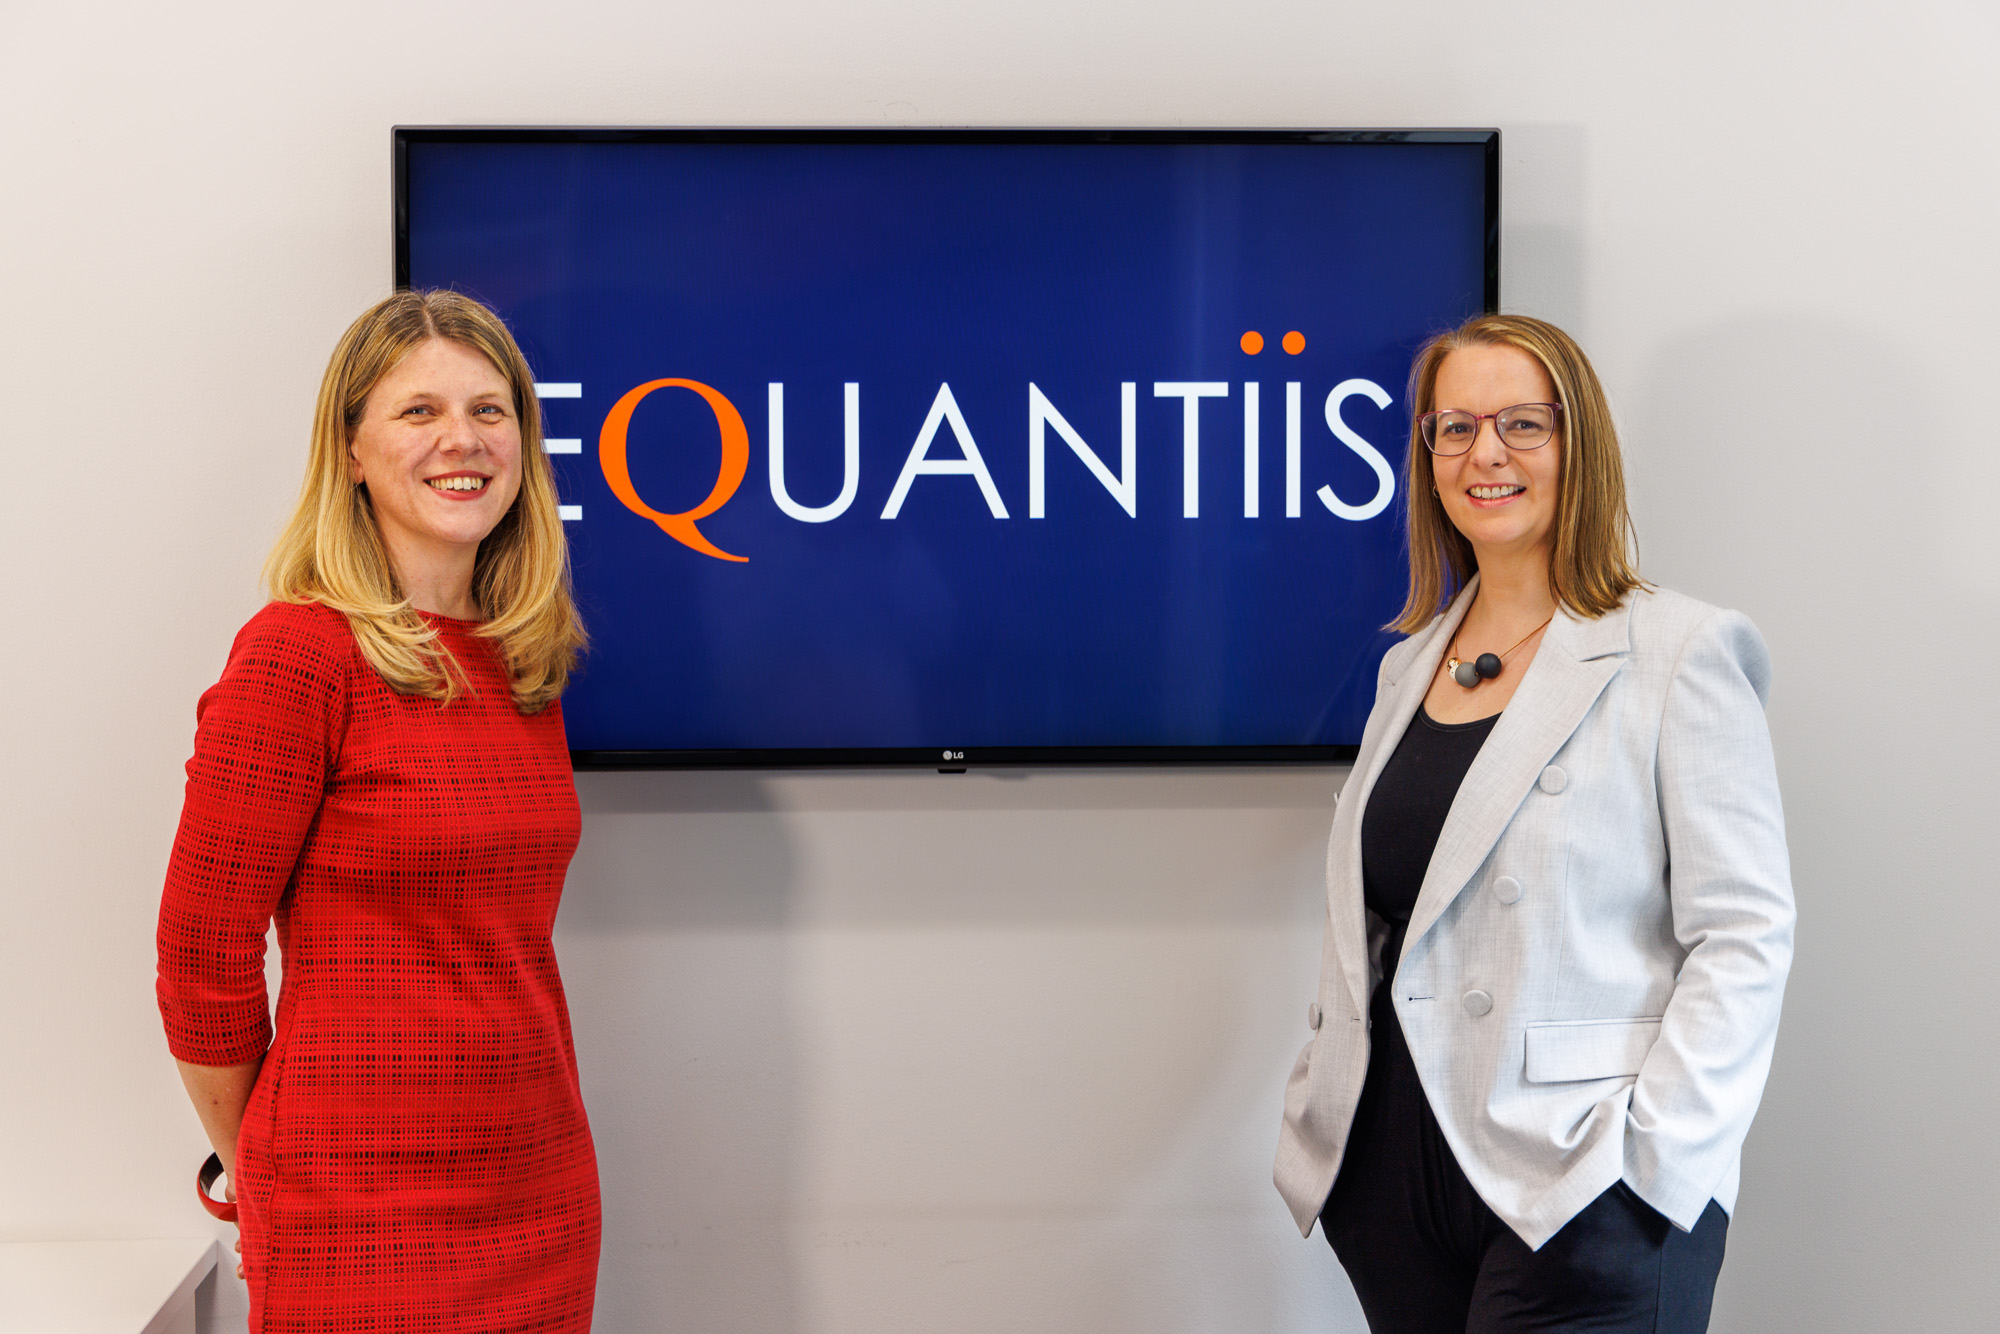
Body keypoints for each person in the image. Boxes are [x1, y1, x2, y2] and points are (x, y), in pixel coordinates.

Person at [1273, 314, 1794, 1333]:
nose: (1485, 454)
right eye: (1453, 428)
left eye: (1522, 423)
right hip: (1392, 1173)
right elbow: (1383, 921)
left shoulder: (1678, 649)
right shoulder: (1407, 663)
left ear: (1578, 447)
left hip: (1582, 1177)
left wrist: (1651, 1159)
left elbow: (1742, 931)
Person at [156, 290, 597, 1332]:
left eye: (492, 411)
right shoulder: (298, 654)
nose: (464, 439)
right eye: (419, 412)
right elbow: (199, 955)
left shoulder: (520, 659)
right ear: (350, 448)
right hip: (350, 1206)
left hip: (539, 1190)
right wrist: (265, 1173)